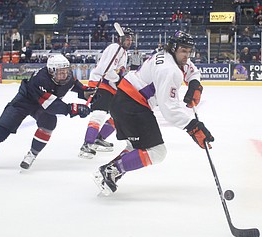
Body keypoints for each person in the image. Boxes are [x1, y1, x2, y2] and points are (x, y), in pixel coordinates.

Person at [92, 31, 214, 195]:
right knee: (157, 152)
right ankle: (110, 171)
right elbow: (168, 108)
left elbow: (191, 70)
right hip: (131, 105)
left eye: (189, 50)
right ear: (174, 48)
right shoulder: (169, 70)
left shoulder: (167, 55)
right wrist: (193, 127)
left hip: (125, 101)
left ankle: (111, 171)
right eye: (183, 50)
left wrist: (194, 85)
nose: (187, 55)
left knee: (136, 146)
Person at [0, 55, 92, 171]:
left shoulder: (67, 76)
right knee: (1, 130)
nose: (64, 75)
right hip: (24, 102)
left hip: (42, 104)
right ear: (51, 71)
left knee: (48, 124)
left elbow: (73, 85)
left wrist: (87, 92)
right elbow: (51, 106)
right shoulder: (41, 79)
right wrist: (74, 108)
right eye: (60, 72)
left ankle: (32, 154)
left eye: (66, 71)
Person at [78, 27, 134, 159]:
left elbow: (115, 72)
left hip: (111, 86)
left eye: (131, 39)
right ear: (120, 38)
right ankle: (87, 144)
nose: (129, 41)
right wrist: (118, 80)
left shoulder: (123, 52)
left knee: (118, 115)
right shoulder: (115, 48)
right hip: (101, 83)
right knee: (99, 113)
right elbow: (106, 70)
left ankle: (98, 138)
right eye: (127, 38)